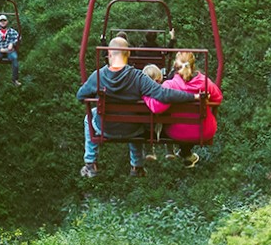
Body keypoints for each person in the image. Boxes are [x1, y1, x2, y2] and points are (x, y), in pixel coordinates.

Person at [76, 35, 206, 177]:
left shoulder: (98, 76)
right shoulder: (138, 77)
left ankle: (90, 162)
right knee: (136, 120)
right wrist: (193, 96)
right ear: (129, 54)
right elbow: (163, 94)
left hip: (105, 128)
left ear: (109, 54)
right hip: (133, 130)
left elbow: (80, 96)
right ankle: (137, 166)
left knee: (90, 116)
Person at [148, 50, 222, 167]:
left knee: (181, 126)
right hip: (203, 131)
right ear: (193, 65)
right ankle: (185, 153)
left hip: (176, 131)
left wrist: (145, 94)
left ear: (175, 66)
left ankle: (184, 152)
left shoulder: (170, 86)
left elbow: (157, 108)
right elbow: (218, 98)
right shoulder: (205, 83)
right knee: (192, 126)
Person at [0, 13, 21, 85]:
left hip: (9, 50)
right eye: (1, 21)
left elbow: (19, 38)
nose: (3, 22)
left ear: (7, 22)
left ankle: (15, 79)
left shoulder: (12, 31)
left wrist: (12, 44)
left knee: (15, 58)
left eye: (4, 21)